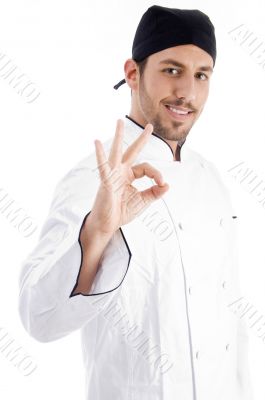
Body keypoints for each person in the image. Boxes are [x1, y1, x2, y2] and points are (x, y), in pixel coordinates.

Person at [18, 5, 254, 399]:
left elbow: (233, 326)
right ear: (133, 73)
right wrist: (98, 229)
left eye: (201, 75)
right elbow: (38, 318)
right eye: (171, 70)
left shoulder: (211, 177)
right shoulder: (95, 178)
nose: (187, 92)